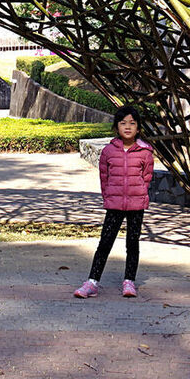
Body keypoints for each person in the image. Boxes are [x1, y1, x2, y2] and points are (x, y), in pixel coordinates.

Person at [74, 104, 154, 299]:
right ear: (116, 127)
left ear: (138, 128)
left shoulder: (145, 152)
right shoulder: (109, 151)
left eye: (132, 123)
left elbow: (147, 178)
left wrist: (140, 194)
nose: (128, 127)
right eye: (123, 123)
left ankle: (129, 281)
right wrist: (108, 196)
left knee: (132, 243)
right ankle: (92, 282)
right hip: (114, 204)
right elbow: (104, 177)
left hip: (136, 205)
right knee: (105, 242)